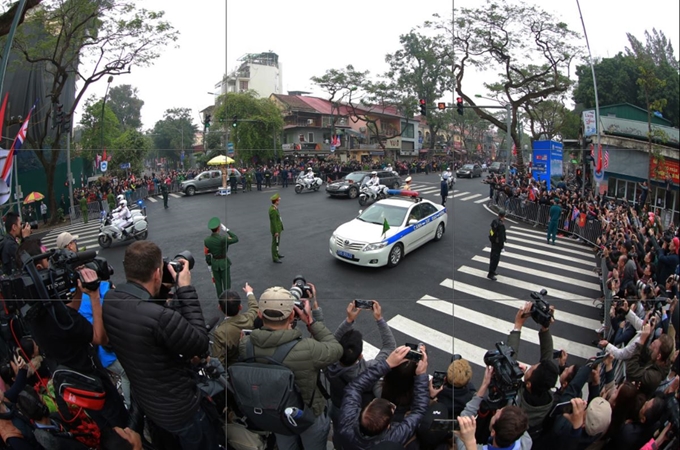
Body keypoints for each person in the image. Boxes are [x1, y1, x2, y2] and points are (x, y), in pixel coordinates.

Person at [103, 241, 219, 449]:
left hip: (152, 406)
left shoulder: (111, 300)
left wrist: (160, 291)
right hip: (182, 409)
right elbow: (199, 343)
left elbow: (143, 320)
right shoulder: (161, 318)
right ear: (157, 273)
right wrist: (185, 289)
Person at [16, 238, 130, 431]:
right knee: (121, 427)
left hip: (76, 385)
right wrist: (93, 296)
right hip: (93, 382)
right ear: (38, 266)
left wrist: (77, 290)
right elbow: (99, 338)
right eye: (46, 262)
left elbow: (68, 313)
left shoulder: (34, 308)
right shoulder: (54, 316)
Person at [238, 285, 343, 450]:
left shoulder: (246, 344)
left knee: (286, 445)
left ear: (259, 314)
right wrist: (310, 321)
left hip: (275, 411)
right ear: (292, 314)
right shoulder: (306, 348)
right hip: (307, 413)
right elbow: (336, 349)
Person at [335, 345, 430, 450]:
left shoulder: (346, 424)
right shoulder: (392, 438)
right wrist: (420, 375)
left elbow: (354, 387)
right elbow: (419, 411)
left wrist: (387, 364)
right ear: (388, 426)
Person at [455, 368, 531, 450]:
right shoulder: (526, 442)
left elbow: (462, 422)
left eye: (496, 415)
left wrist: (484, 384)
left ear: (493, 432)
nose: (497, 410)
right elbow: (516, 421)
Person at [213, 283, 259, 367]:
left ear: (219, 308)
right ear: (240, 307)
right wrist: (249, 293)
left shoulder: (220, 332)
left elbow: (219, 361)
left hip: (234, 367)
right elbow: (254, 308)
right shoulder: (249, 318)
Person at [204, 217, 235, 297]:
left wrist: (209, 263)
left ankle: (221, 301)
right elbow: (236, 238)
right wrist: (227, 230)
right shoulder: (223, 238)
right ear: (219, 228)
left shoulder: (207, 240)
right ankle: (227, 300)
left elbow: (207, 253)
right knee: (226, 283)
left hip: (214, 263)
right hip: (224, 263)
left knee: (218, 284)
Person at [487, 209, 507, 280]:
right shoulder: (501, 225)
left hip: (494, 242)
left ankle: (492, 271)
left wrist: (492, 238)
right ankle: (491, 273)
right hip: (497, 244)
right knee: (495, 259)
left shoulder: (495, 221)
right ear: (503, 216)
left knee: (493, 257)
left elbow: (491, 231)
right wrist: (502, 247)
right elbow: (501, 237)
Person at [269, 193, 284, 263]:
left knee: (277, 242)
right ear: (276, 201)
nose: (279, 202)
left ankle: (277, 253)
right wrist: (276, 231)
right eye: (278, 200)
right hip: (276, 229)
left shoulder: (275, 208)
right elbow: (274, 222)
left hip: (278, 228)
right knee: (275, 243)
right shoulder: (273, 210)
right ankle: (274, 257)